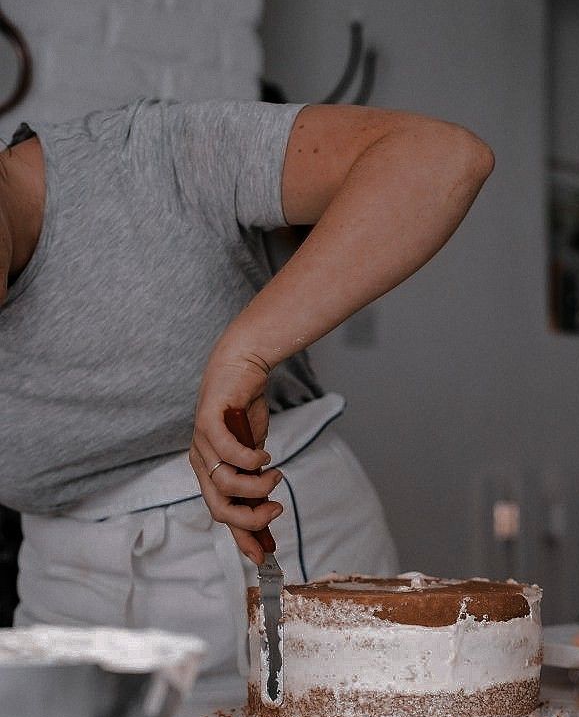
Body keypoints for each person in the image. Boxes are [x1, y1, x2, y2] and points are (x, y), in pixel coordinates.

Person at [0, 99, 494, 675]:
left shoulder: (149, 157)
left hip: (283, 554)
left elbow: (441, 159)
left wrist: (248, 348)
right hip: (65, 602)